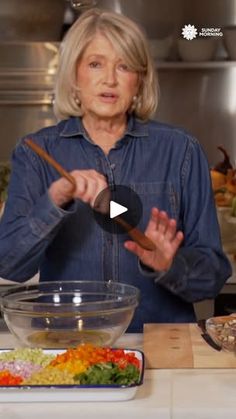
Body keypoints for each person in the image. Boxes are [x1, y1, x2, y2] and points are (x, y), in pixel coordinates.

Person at [0, 9, 232, 332]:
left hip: (161, 349)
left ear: (139, 81)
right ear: (74, 76)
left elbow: (212, 277)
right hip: (70, 348)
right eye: (96, 64)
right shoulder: (36, 153)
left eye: (124, 66)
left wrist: (171, 265)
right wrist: (55, 200)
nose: (110, 79)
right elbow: (9, 263)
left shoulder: (181, 152)